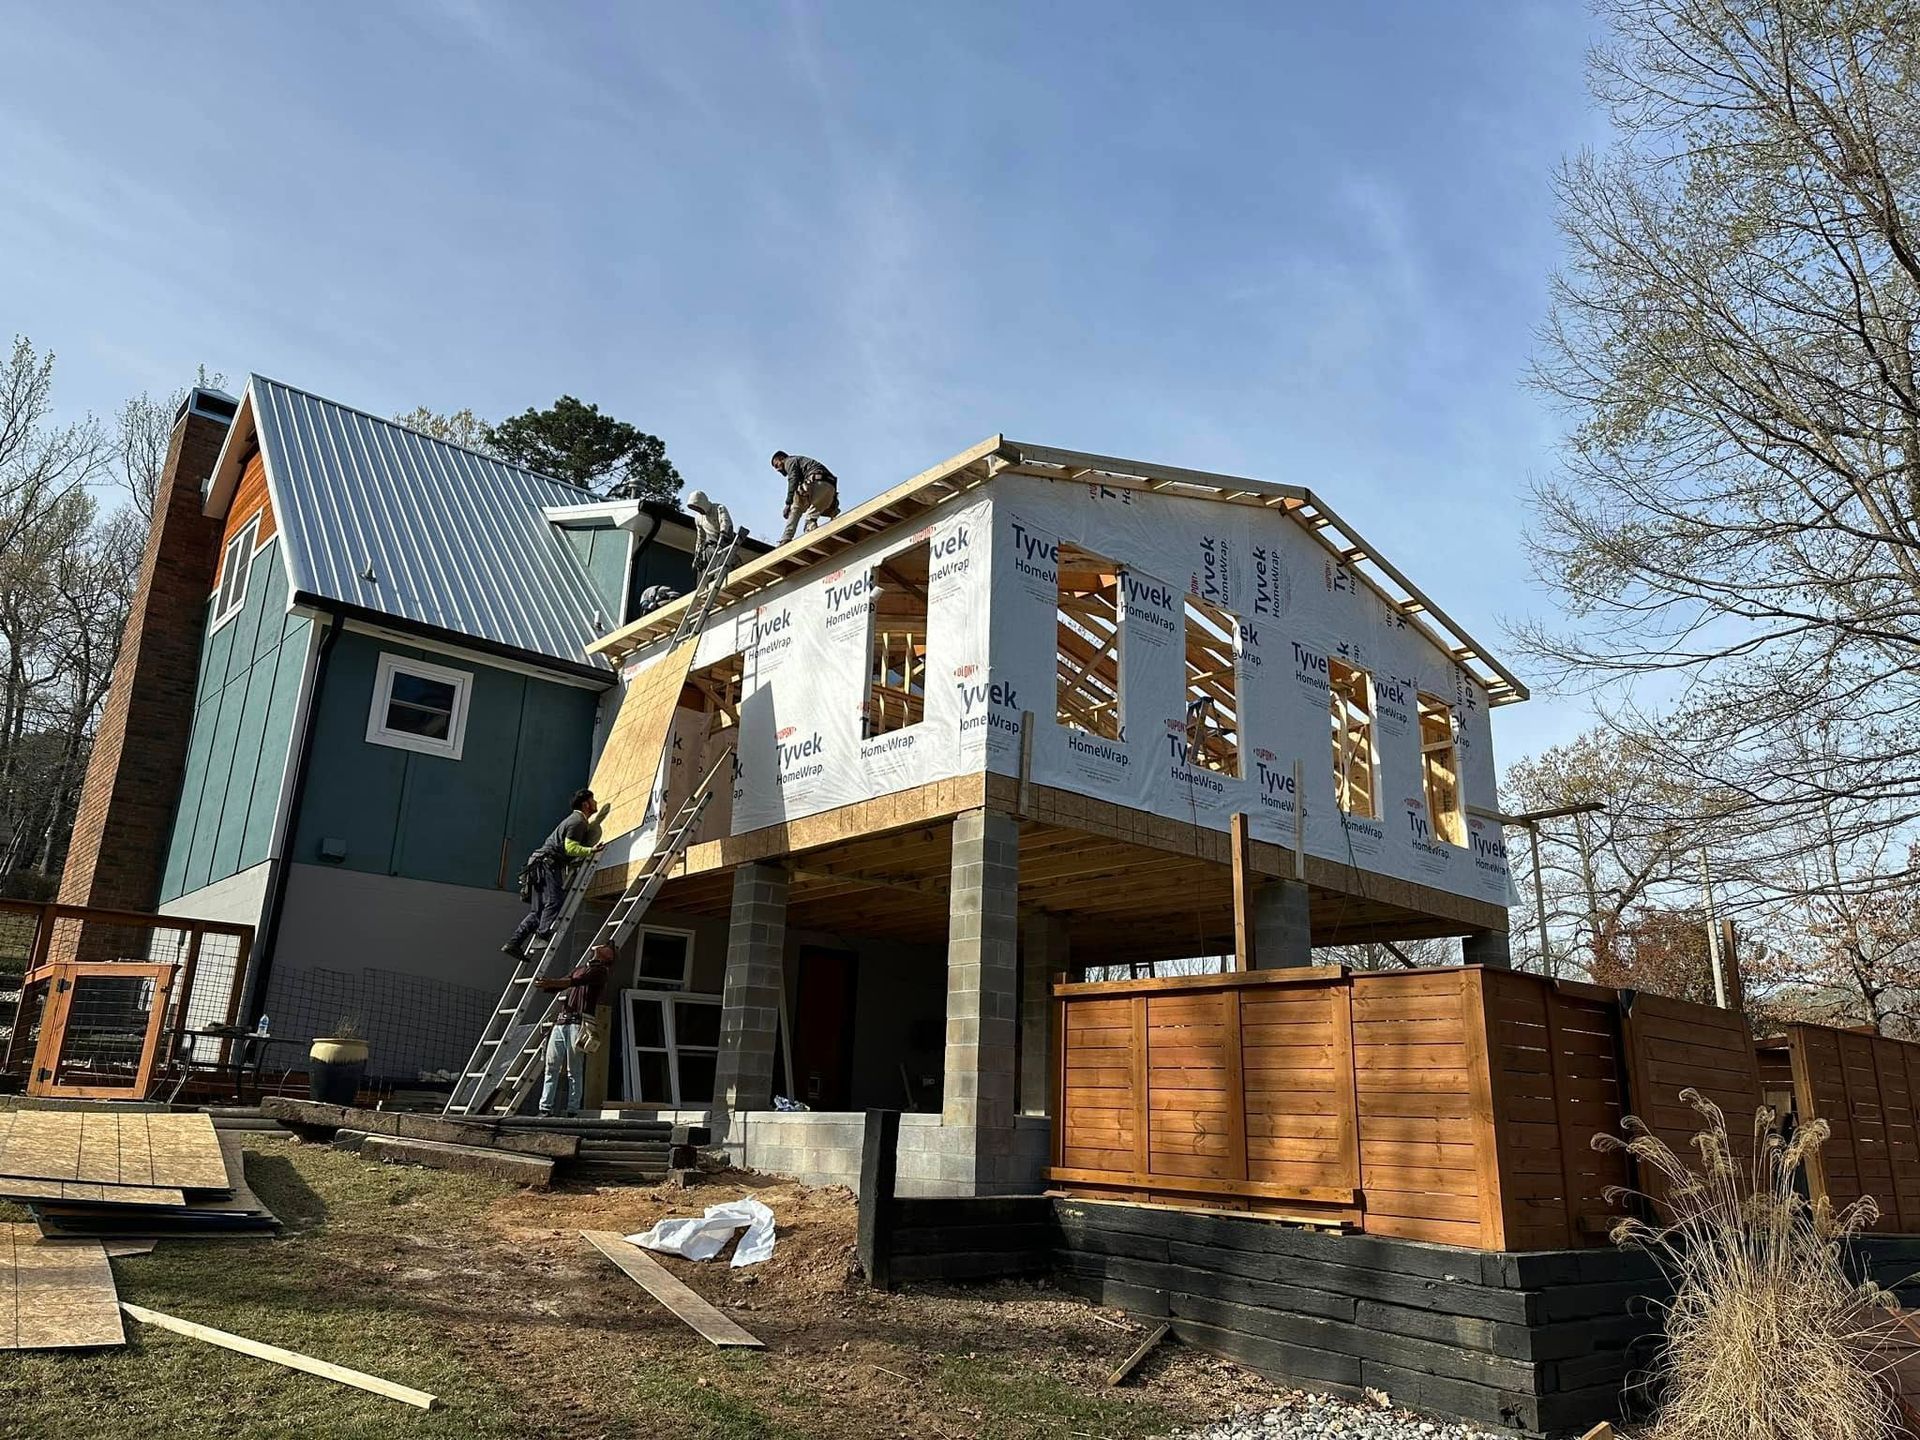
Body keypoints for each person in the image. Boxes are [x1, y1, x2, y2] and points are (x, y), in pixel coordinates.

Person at [503, 788, 600, 958]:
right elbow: (570, 848)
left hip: (539, 863)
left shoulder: (575, 820)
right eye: (593, 800)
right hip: (546, 864)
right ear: (586, 804)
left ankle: (514, 943)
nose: (596, 803)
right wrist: (591, 850)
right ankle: (542, 934)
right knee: (555, 900)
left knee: (538, 911)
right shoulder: (578, 821)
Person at [535, 941, 614, 1117]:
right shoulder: (580, 968)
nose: (602, 946)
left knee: (574, 1069)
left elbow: (576, 981)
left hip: (579, 1023)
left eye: (608, 947)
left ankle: (572, 1110)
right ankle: (545, 1108)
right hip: (561, 1022)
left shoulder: (600, 971)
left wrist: (551, 982)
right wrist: (546, 985)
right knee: (551, 1066)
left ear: (609, 956)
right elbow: (566, 982)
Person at [771, 451, 840, 544]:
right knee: (811, 518)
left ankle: (786, 538)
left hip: (817, 483)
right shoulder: (803, 464)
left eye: (776, 465)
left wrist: (788, 503)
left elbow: (793, 479)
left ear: (782, 459)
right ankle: (819, 523)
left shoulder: (790, 461)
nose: (777, 469)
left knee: (796, 506)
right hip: (830, 488)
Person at [683, 489, 736, 575]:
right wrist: (697, 555)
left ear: (702, 503)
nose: (697, 510)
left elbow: (725, 523)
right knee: (703, 563)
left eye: (697, 507)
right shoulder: (698, 518)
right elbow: (701, 538)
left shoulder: (719, 508)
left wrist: (723, 536)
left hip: (724, 542)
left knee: (720, 564)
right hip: (710, 545)